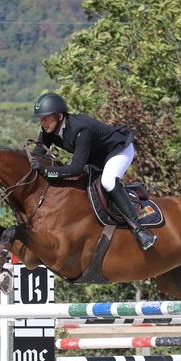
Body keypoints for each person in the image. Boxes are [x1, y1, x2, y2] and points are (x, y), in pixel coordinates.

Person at [29, 92, 157, 251]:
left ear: (60, 116)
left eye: (46, 118)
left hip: (118, 150)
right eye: (41, 119)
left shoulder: (80, 129)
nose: (43, 123)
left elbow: (75, 168)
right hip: (96, 157)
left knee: (108, 181)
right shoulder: (49, 130)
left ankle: (140, 230)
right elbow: (37, 154)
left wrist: (47, 171)